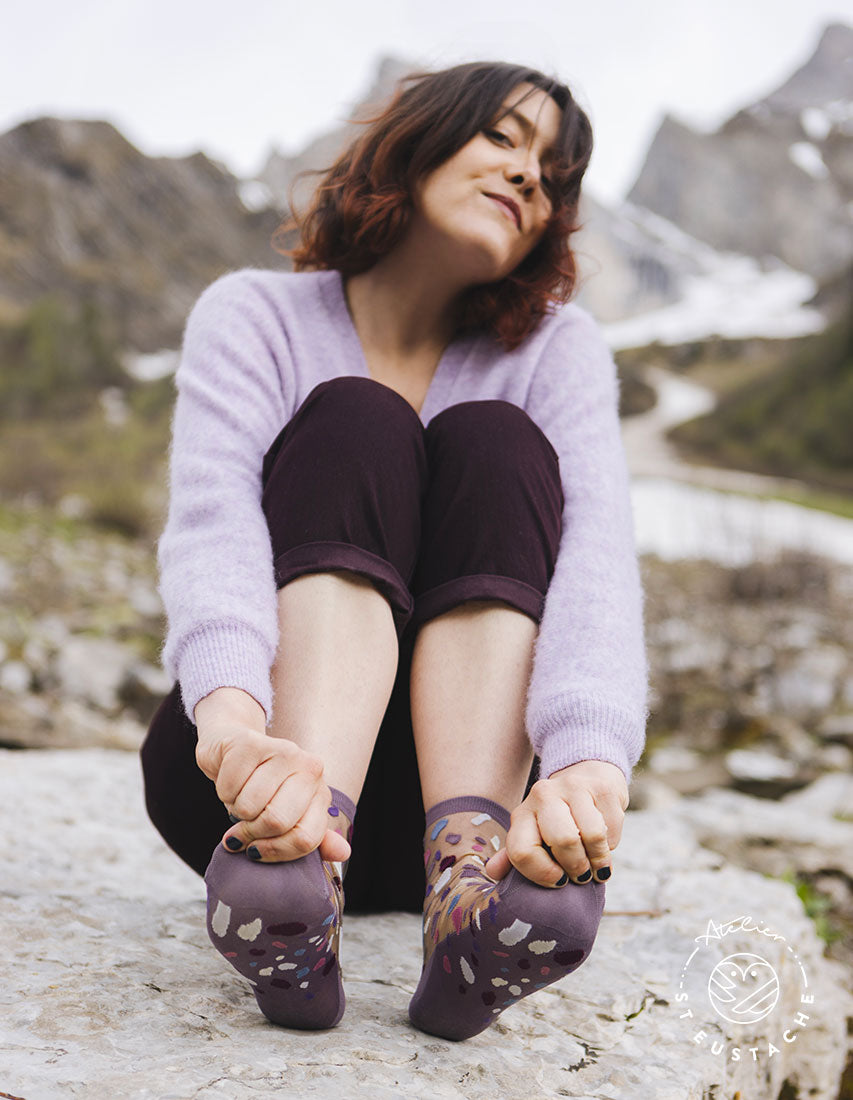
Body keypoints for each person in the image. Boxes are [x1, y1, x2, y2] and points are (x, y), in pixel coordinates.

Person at [140, 60, 648, 1042]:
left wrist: (589, 766)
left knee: (494, 437)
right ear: (417, 140)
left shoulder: (557, 348)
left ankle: (466, 911)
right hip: (249, 799)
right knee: (358, 421)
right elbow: (211, 526)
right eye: (503, 137)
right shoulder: (253, 315)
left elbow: (595, 565)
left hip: (464, 823)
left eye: (553, 170)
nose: (530, 176)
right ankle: (298, 871)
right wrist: (234, 727)